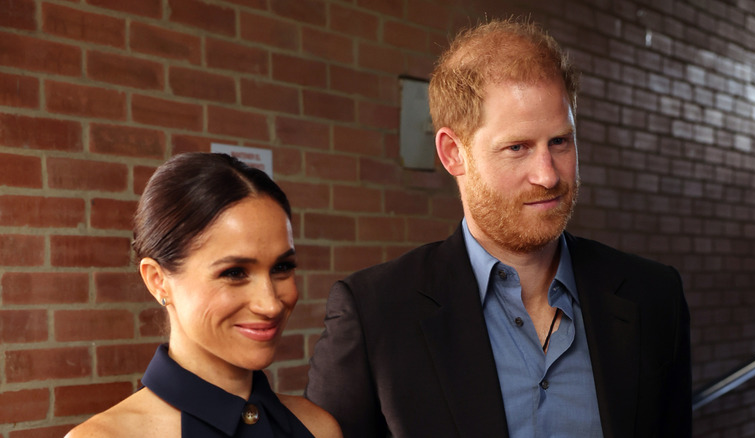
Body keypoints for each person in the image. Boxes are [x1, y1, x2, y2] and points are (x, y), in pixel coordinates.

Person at [305, 17, 691, 438]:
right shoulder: (374, 313)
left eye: (560, 141)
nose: (547, 175)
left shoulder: (654, 297)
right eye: (518, 147)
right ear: (454, 154)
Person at [67, 153, 342, 438]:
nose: (270, 304)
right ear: (158, 281)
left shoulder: (318, 427)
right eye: (235, 272)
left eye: (282, 267)